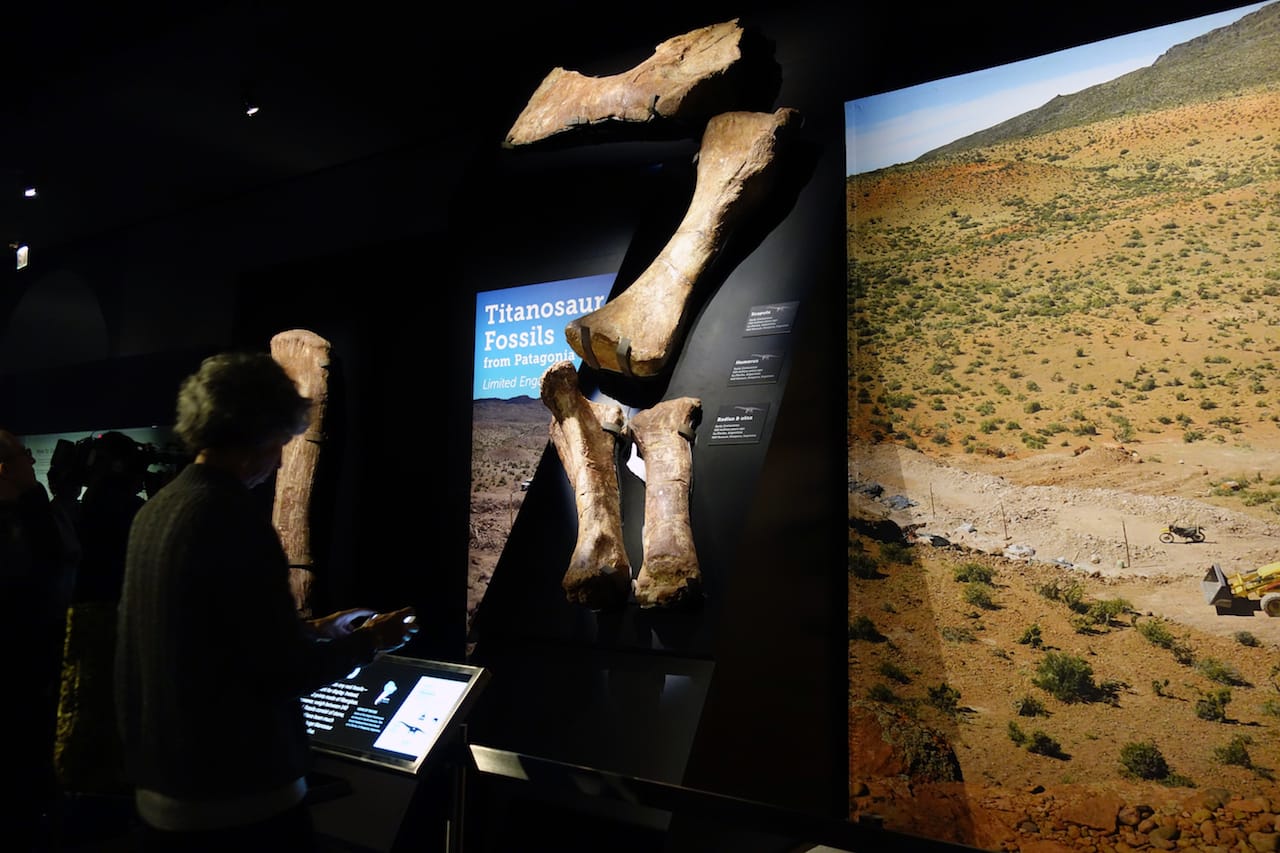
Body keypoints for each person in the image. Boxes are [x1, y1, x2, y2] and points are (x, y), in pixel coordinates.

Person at [114, 351, 419, 852]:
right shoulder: (229, 517)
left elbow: (202, 635)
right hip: (238, 801)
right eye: (281, 439)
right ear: (255, 429)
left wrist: (317, 628)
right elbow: (282, 673)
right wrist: (371, 640)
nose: (281, 457)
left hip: (164, 791)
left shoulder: (161, 508)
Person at [0, 429, 71, 848]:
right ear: (7, 468)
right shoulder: (18, 528)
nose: (32, 462)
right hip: (21, 680)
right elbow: (53, 561)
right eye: (25, 456)